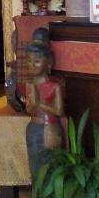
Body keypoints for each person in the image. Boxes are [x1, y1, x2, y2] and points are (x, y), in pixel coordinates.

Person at [23, 28, 65, 182]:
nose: (32, 65)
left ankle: (52, 195)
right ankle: (38, 194)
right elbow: (29, 109)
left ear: (49, 62)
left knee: (50, 165)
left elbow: (59, 111)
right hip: (33, 127)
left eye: (37, 61)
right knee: (35, 167)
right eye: (29, 60)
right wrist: (30, 102)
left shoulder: (54, 86)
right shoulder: (30, 84)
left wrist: (39, 103)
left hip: (50, 128)